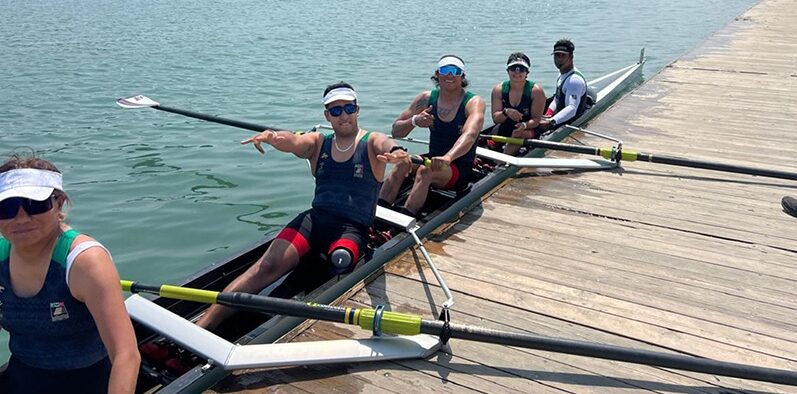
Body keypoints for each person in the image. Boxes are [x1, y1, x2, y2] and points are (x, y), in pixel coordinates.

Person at [196, 82, 411, 330]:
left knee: (340, 261)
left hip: (352, 229)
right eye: (336, 110)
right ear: (327, 116)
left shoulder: (371, 141)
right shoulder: (318, 143)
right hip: (314, 222)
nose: (343, 115)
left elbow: (387, 144)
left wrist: (398, 153)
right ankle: (201, 326)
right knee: (265, 267)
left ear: (357, 110)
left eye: (349, 108)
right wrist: (274, 138)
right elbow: (294, 141)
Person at [0, 155, 139, 394]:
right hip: (21, 376)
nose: (21, 218)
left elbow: (126, 355)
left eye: (35, 204)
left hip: (87, 383)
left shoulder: (86, 262)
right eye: (7, 208)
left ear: (59, 203)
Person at [380, 55, 486, 215]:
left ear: (462, 76)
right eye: (445, 70)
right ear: (437, 74)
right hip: (433, 158)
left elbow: (470, 135)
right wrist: (415, 121)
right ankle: (378, 213)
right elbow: (396, 131)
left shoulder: (473, 102)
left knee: (425, 171)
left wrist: (448, 157)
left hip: (459, 167)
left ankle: (405, 220)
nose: (450, 75)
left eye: (455, 71)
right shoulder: (426, 99)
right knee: (402, 162)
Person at [489, 52, 547, 155]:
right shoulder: (498, 90)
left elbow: (536, 120)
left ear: (527, 72)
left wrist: (524, 125)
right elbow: (496, 119)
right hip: (505, 127)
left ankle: (502, 161)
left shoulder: (536, 91)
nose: (517, 72)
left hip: (529, 128)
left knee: (518, 134)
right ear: (507, 71)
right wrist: (506, 112)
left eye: (521, 69)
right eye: (513, 68)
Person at [538, 39, 589, 132]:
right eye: (557, 55)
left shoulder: (574, 80)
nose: (559, 59)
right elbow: (557, 99)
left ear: (571, 57)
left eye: (563, 55)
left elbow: (572, 108)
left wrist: (551, 122)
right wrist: (548, 114)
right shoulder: (562, 74)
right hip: (560, 119)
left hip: (571, 122)